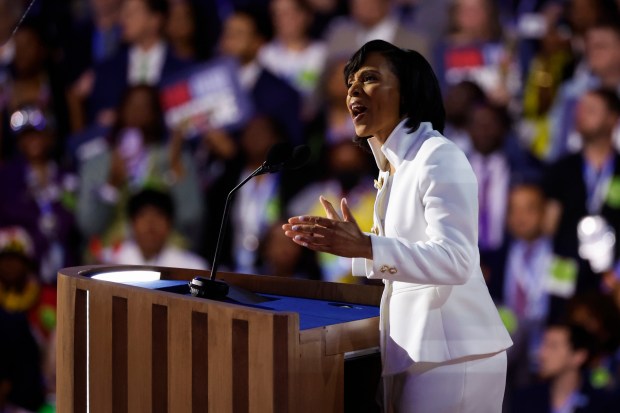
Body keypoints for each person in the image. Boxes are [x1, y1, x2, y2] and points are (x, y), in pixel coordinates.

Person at [282, 39, 512, 412]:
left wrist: (366, 247)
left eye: (368, 78)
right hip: (420, 350)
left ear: (406, 92)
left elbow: (456, 259)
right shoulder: (393, 170)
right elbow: (408, 259)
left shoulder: (438, 156)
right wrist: (358, 249)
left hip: (453, 353)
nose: (353, 90)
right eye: (350, 84)